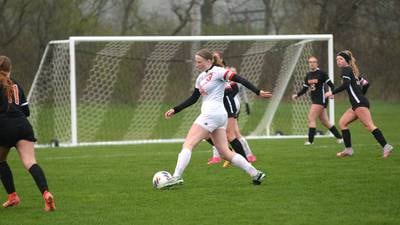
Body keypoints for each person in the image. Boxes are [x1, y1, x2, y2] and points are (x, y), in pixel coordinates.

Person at [163, 49, 272, 188]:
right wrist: (175, 109)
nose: (197, 65)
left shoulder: (219, 71)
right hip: (219, 116)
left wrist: (258, 91)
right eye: (196, 62)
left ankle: (176, 176)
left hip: (212, 114)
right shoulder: (201, 78)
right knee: (225, 153)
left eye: (199, 62)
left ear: (209, 61)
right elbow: (193, 98)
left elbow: (239, 79)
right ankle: (256, 173)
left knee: (188, 144)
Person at [0, 55, 55, 211]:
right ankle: (46, 194)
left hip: (4, 126)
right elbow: (26, 111)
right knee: (30, 162)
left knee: (1, 161)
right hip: (23, 125)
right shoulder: (15, 83)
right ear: (10, 69)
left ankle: (13, 196)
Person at [325, 50, 393, 158]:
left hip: (359, 103)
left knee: (369, 126)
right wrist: (361, 95)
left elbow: (346, 84)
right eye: (337, 59)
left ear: (346, 60)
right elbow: (366, 84)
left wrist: (331, 92)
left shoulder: (346, 70)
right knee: (342, 123)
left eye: (340, 59)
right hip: (357, 103)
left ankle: (386, 146)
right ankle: (348, 150)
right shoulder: (352, 72)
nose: (338, 61)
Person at [207, 52, 257, 165]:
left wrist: (247, 104)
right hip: (221, 105)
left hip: (231, 105)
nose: (214, 59)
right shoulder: (211, 72)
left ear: (221, 59)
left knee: (233, 133)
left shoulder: (226, 72)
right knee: (216, 132)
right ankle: (224, 156)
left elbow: (237, 89)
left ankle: (248, 155)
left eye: (216, 57)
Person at [292, 56, 343, 145]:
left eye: (314, 62)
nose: (312, 63)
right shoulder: (308, 75)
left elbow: (331, 85)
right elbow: (305, 89)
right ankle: (340, 138)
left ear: (317, 63)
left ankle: (310, 141)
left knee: (311, 118)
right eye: (310, 62)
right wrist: (297, 95)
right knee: (325, 121)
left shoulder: (322, 73)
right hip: (315, 99)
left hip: (321, 99)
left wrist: (332, 93)